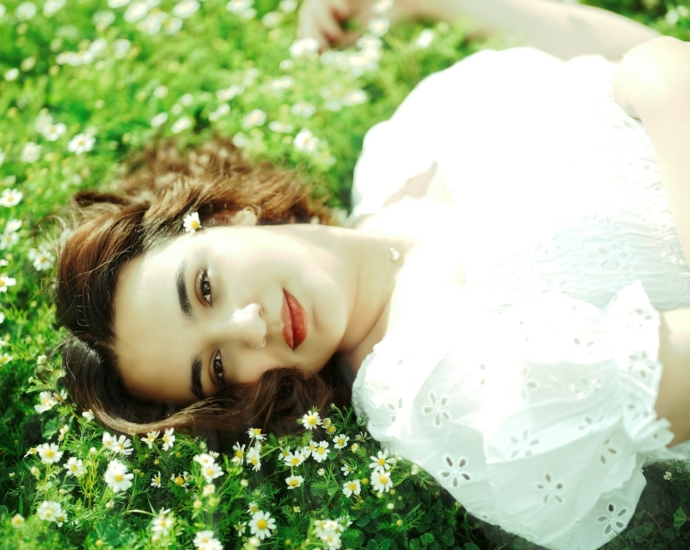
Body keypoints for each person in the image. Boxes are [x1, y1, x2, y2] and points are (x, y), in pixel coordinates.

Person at [56, 0, 690, 548]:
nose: (248, 328)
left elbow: (600, 50)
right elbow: (658, 69)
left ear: (226, 217)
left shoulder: (398, 149)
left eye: (203, 288)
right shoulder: (429, 387)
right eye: (216, 366)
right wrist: (664, 81)